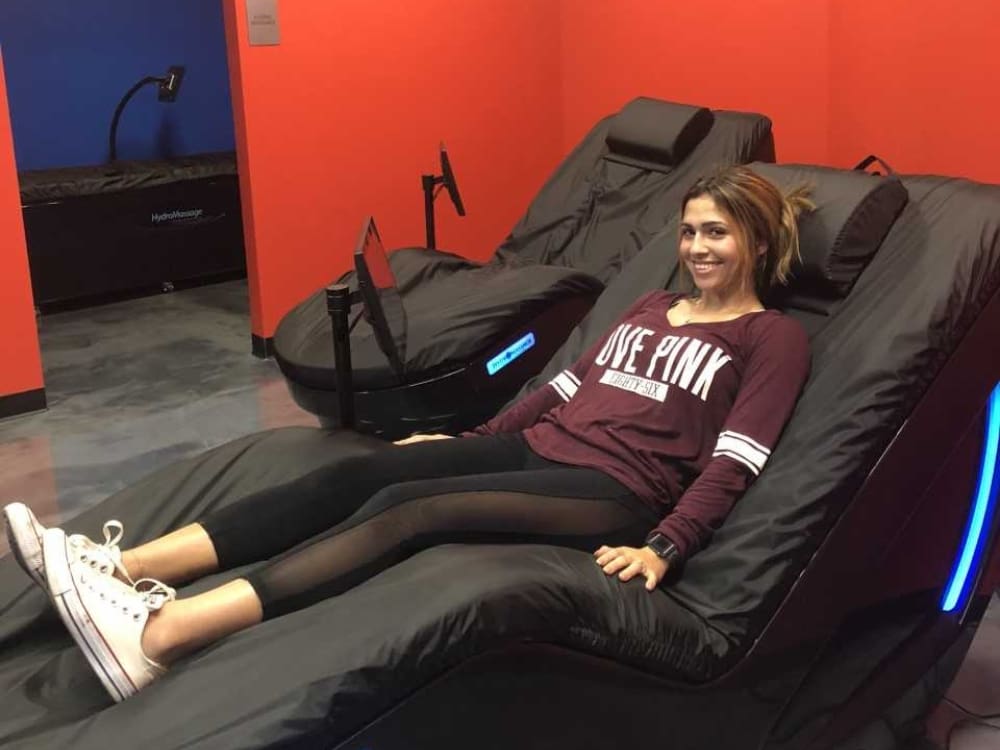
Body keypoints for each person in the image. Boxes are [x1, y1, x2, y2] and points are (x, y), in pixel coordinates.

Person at [4, 165, 813, 703]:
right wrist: (471, 440)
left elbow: (737, 458)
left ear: (758, 243)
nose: (698, 248)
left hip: (618, 492)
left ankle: (160, 635)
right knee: (359, 471)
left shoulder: (769, 337)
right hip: (543, 445)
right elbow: (562, 387)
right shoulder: (648, 308)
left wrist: (667, 545)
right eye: (690, 231)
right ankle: (117, 565)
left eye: (718, 233)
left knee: (410, 512)